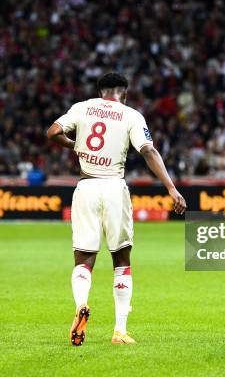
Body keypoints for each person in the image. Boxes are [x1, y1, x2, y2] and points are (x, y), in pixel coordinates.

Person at [47, 72, 186, 345]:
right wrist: (171, 187)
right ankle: (119, 331)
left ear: (101, 92)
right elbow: (148, 151)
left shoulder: (82, 107)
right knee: (121, 259)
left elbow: (52, 132)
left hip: (85, 186)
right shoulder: (131, 115)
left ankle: (81, 305)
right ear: (124, 92)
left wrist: (76, 145)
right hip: (113, 187)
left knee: (84, 258)